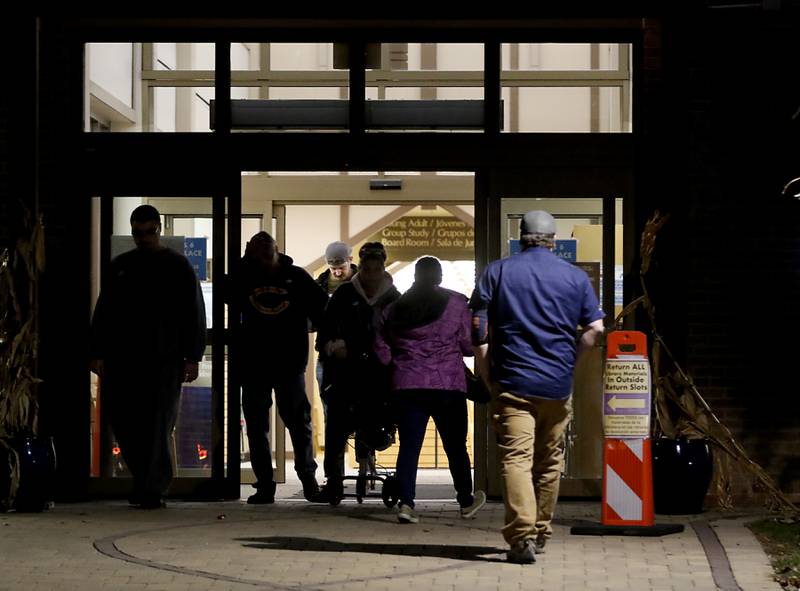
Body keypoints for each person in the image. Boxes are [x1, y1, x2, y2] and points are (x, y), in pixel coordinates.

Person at [470, 210, 604, 564]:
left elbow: (479, 334)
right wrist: (570, 367)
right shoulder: (575, 277)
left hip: (513, 383)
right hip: (557, 387)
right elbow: (595, 330)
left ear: (520, 236)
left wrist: (487, 376)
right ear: (553, 239)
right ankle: (541, 531)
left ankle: (521, 535)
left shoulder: (496, 272)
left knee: (516, 459)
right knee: (549, 461)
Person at [90, 204, 207, 509]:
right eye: (139, 233)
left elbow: (193, 312)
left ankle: (151, 486)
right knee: (128, 421)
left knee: (156, 424)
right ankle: (148, 482)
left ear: (158, 230)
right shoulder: (122, 266)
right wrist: (99, 351)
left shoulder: (175, 266)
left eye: (148, 232)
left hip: (161, 358)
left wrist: (192, 356)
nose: (143, 238)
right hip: (127, 357)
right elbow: (104, 312)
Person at [374, 256, 486, 524]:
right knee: (455, 446)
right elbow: (468, 347)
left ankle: (406, 503)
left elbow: (381, 349)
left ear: (415, 275)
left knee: (409, 447)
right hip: (448, 386)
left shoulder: (394, 308)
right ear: (438, 276)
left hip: (408, 385)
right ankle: (466, 501)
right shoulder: (457, 303)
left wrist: (400, 363)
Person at [230, 231, 328, 504]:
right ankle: (265, 483)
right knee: (258, 426)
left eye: (265, 251)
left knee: (299, 424)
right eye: (255, 252)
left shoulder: (296, 277)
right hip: (254, 364)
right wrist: (243, 260)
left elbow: (322, 309)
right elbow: (227, 293)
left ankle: (307, 479)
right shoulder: (244, 275)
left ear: (276, 250)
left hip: (289, 363)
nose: (260, 257)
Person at [315, 242, 400, 504]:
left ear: (382, 268)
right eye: (367, 268)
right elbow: (324, 334)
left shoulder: (394, 298)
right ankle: (333, 479)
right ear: (359, 267)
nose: (371, 274)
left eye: (376, 268)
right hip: (344, 373)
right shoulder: (343, 296)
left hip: (379, 375)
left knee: (375, 421)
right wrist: (333, 346)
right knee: (337, 425)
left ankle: (371, 455)